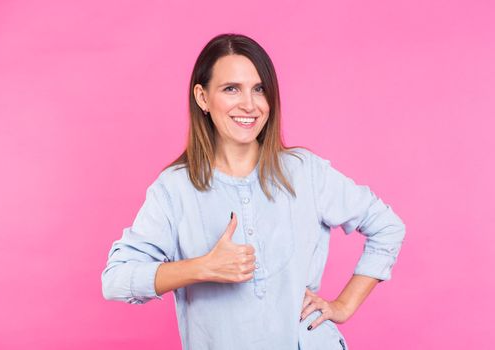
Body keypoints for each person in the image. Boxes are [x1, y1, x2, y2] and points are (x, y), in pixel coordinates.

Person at [101, 33, 405, 350]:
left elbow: (387, 226)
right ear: (202, 98)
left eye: (259, 89)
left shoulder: (304, 171)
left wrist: (344, 305)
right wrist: (203, 267)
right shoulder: (174, 189)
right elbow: (116, 281)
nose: (249, 104)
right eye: (231, 88)